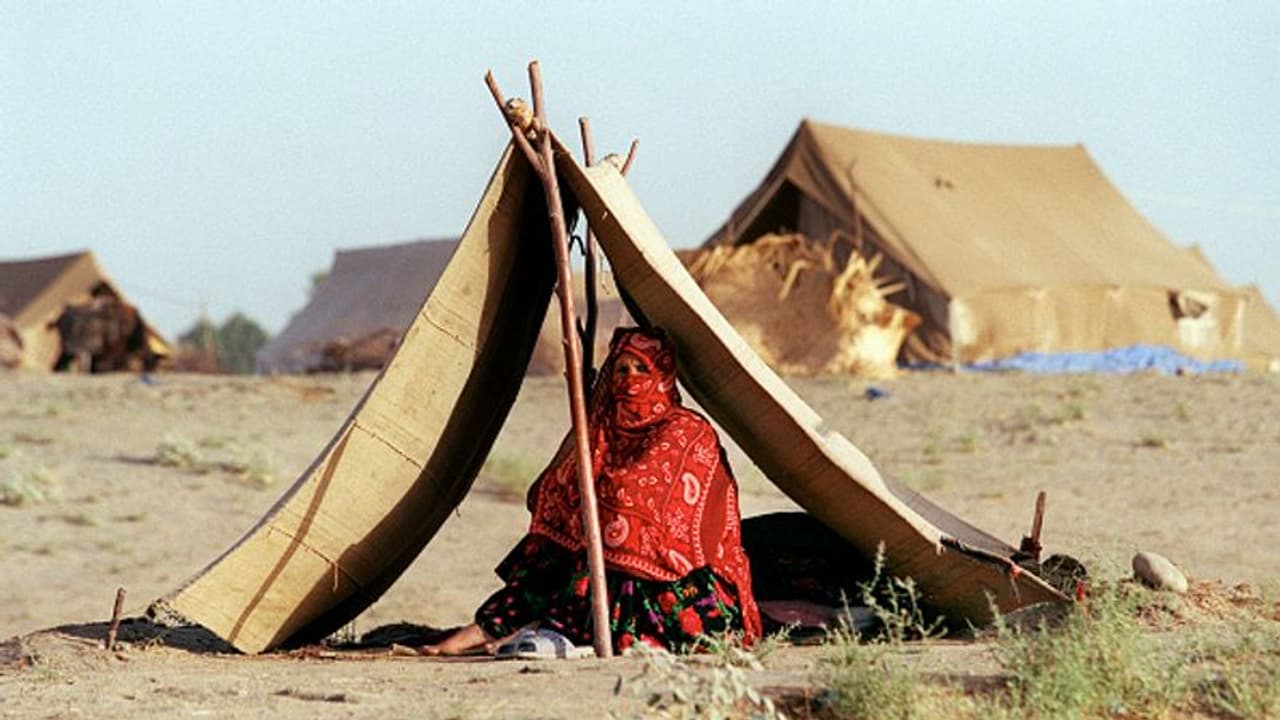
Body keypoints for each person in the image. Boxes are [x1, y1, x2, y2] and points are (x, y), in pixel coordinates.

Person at [421, 326, 760, 655]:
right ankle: (493, 627)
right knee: (566, 535)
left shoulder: (686, 428)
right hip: (596, 562)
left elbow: (642, 496)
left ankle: (552, 626)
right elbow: (553, 483)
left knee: (622, 528)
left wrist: (598, 502)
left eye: (642, 368)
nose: (630, 378)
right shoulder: (601, 428)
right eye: (621, 369)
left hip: (680, 579)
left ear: (664, 373)